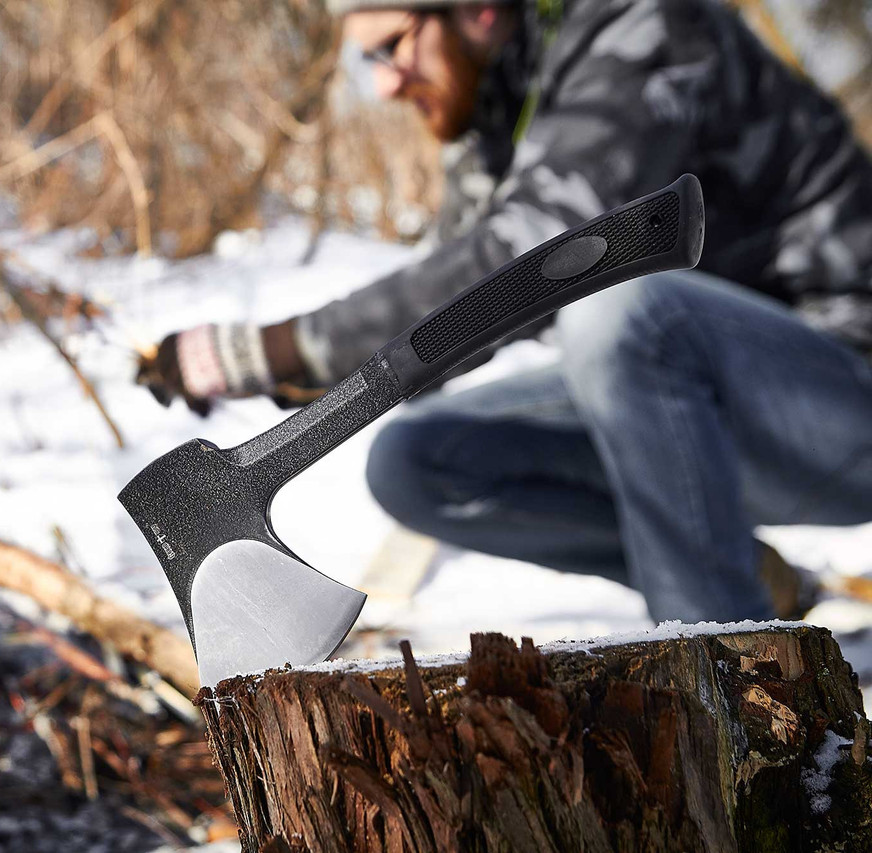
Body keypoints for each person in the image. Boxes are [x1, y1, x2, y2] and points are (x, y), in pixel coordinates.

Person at [139, 0, 872, 624]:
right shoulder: (505, 98)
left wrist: (285, 347)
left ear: (477, 7)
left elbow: (527, 253)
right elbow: (458, 312)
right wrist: (317, 382)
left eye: (390, 49)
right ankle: (751, 576)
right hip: (697, 412)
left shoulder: (643, 28)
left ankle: (727, 667)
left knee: (620, 315)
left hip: (839, 396)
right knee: (418, 460)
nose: (386, 85)